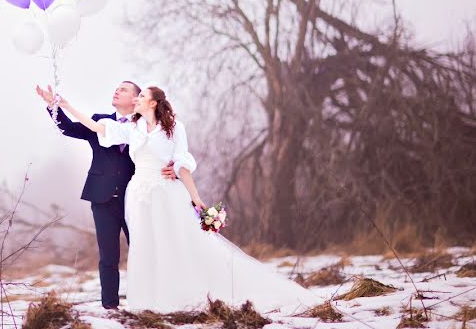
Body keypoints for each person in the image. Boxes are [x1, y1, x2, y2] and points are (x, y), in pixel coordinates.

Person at [57, 85, 322, 313]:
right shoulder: (133, 128)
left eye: (141, 97)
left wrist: (196, 199)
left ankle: (183, 293)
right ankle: (147, 301)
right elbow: (95, 126)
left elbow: (182, 164)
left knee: (173, 242)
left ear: (152, 102)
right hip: (137, 195)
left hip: (165, 192)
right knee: (143, 246)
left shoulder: (174, 128)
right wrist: (66, 105)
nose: (135, 100)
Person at [36, 82, 176, 310]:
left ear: (135, 99)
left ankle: (150, 302)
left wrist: (175, 168)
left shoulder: (147, 127)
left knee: (142, 251)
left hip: (136, 198)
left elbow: (165, 153)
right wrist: (53, 105)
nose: (116, 90)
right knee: (108, 257)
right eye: (116, 88)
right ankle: (110, 307)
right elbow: (69, 129)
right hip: (101, 197)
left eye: (124, 89)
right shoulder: (99, 120)